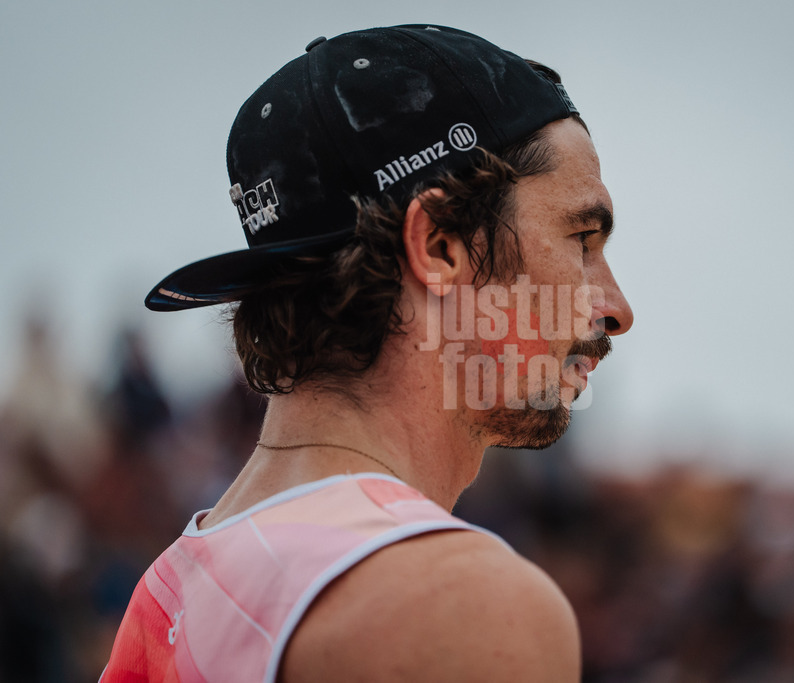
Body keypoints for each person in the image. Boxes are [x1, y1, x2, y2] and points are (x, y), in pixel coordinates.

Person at [102, 24, 632, 682]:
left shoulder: (170, 590)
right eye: (581, 237)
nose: (615, 306)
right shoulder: (457, 604)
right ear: (440, 245)